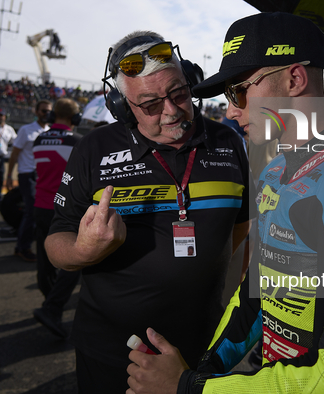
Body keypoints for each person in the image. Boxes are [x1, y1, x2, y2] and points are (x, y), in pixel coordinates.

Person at [126, 12, 324, 394]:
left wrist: (190, 388)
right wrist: (201, 370)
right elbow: (254, 299)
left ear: (294, 79)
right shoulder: (276, 171)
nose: (231, 110)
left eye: (239, 90)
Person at [44, 31, 252, 393]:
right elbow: (55, 241)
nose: (171, 111)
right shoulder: (94, 149)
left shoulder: (229, 142)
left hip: (205, 349)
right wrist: (81, 251)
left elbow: (241, 228)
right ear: (123, 107)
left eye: (179, 94)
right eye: (151, 104)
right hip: (112, 353)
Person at [32, 98, 83, 338]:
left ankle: (50, 303)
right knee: (73, 262)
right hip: (65, 210)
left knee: (44, 260)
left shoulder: (39, 139)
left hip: (39, 206)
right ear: (75, 119)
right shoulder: (77, 142)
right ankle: (52, 308)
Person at [6, 100, 52, 262]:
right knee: (32, 211)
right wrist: (9, 175)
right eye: (43, 111)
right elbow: (14, 154)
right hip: (27, 174)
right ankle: (23, 247)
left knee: (39, 211)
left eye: (49, 111)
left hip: (43, 175)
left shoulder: (50, 131)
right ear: (36, 111)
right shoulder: (26, 130)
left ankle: (26, 245)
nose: (46, 114)